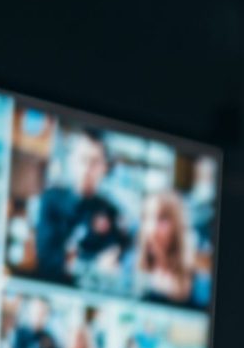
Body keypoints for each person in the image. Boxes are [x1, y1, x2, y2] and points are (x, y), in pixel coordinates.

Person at [33, 130, 130, 285]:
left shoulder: (111, 212)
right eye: (82, 159)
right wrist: (92, 263)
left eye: (94, 162)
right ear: (72, 160)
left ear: (104, 167)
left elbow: (114, 259)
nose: (86, 168)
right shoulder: (51, 200)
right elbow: (47, 258)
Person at [132, 190, 198, 306]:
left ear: (177, 226)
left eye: (162, 219)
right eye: (146, 217)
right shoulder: (129, 265)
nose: (152, 228)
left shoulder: (197, 284)